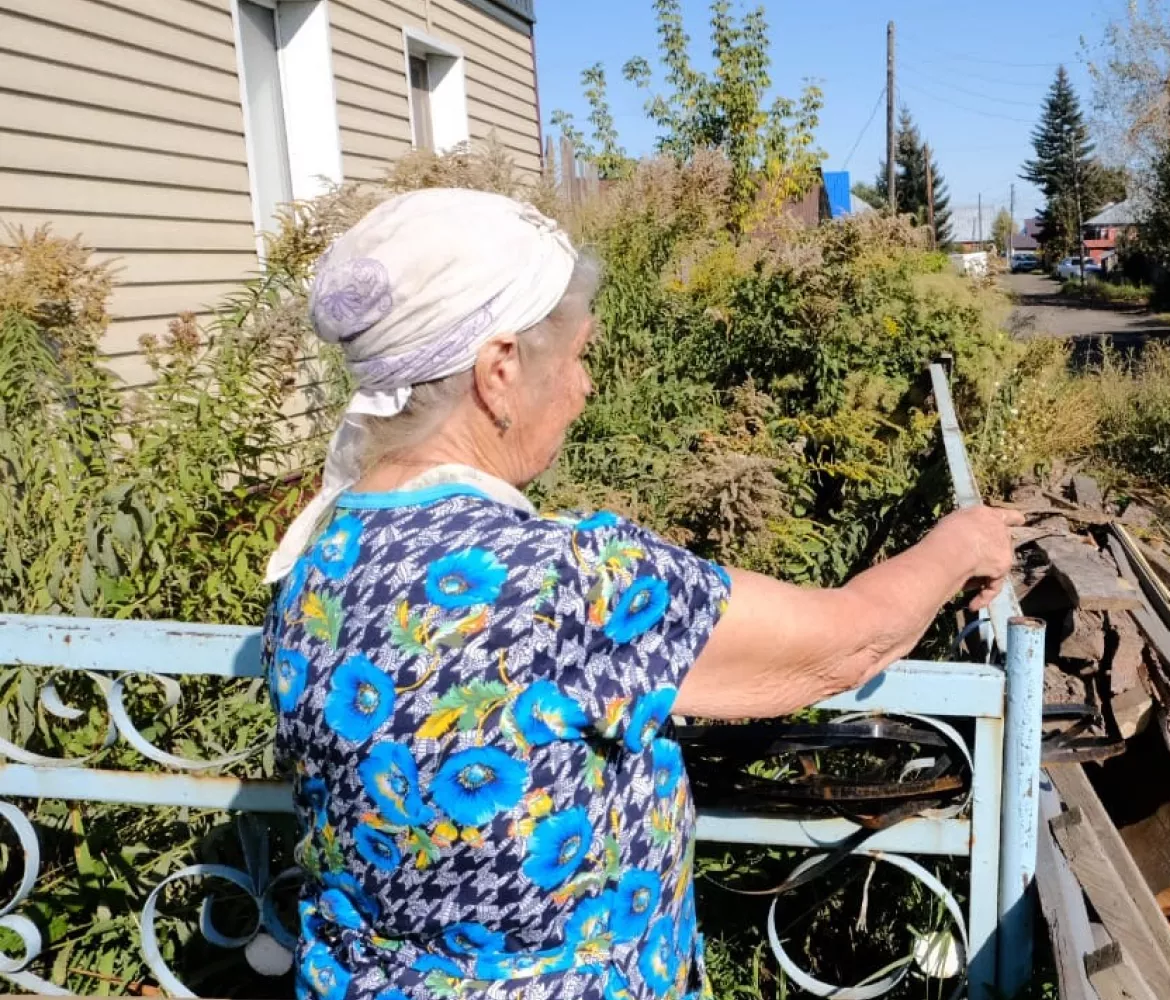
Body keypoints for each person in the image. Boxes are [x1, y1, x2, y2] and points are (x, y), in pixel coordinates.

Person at [261, 188, 1021, 1000]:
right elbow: (847, 642)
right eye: (577, 355)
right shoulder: (564, 579)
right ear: (499, 371)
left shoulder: (316, 557)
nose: (584, 386)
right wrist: (962, 542)